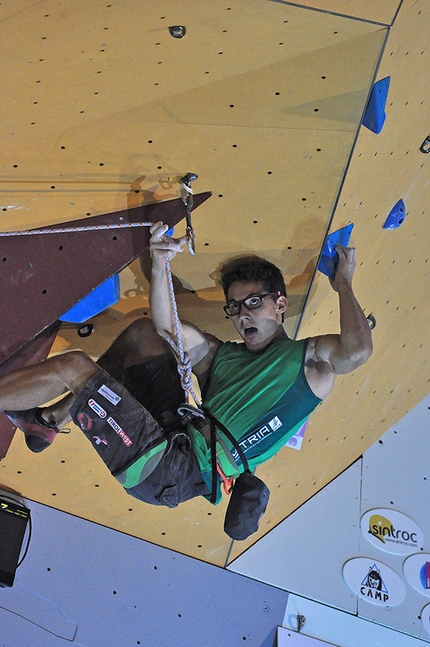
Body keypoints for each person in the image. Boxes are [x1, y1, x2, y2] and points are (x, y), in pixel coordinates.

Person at [0, 221, 372, 538]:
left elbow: (356, 352)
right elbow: (167, 327)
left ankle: (42, 416)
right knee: (144, 334)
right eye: (235, 307)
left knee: (74, 367)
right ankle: (49, 422)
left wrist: (344, 284)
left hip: (167, 470)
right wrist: (160, 263)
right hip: (176, 434)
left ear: (280, 304)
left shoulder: (310, 367)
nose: (242, 315)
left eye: (253, 303)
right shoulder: (222, 357)